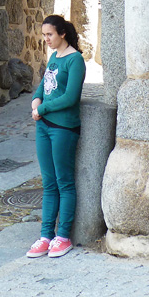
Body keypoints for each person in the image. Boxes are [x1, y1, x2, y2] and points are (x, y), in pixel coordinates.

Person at [26, 14, 86, 259]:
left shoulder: (75, 60)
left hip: (63, 128)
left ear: (62, 33)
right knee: (48, 183)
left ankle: (63, 237)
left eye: (49, 34)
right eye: (44, 35)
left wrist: (43, 109)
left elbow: (71, 97)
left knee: (64, 182)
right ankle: (45, 236)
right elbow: (43, 86)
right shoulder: (53, 58)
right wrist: (36, 101)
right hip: (44, 127)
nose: (46, 39)